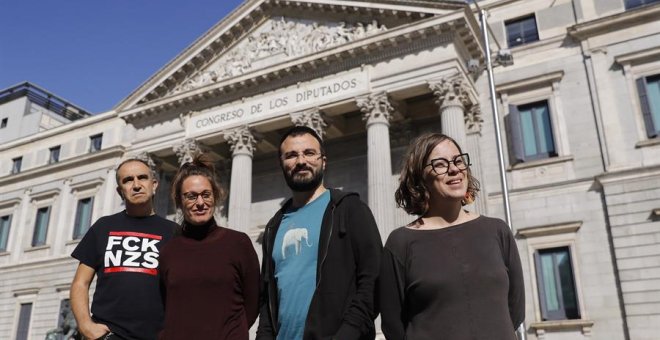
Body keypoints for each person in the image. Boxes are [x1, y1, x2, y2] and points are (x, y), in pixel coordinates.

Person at [379, 132, 525, 340]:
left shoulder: (497, 231)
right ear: (420, 177)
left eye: (458, 161)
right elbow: (393, 325)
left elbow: (515, 309)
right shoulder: (401, 242)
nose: (454, 169)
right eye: (440, 164)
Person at [256, 126, 383, 340]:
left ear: (324, 160)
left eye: (309, 153)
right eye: (291, 155)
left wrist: (347, 334)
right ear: (282, 165)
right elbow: (267, 301)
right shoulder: (273, 227)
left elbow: (374, 279)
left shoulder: (349, 209)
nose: (301, 161)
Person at [70, 158, 178, 340]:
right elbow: (80, 283)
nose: (136, 185)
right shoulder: (103, 227)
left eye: (142, 178)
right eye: (128, 180)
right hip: (109, 335)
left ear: (154, 185)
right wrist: (85, 325)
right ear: (120, 191)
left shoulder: (174, 232)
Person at [158, 155, 259, 339]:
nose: (200, 203)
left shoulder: (238, 243)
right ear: (180, 202)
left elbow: (253, 302)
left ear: (216, 196)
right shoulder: (168, 252)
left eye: (206, 194)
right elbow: (165, 306)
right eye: (191, 196)